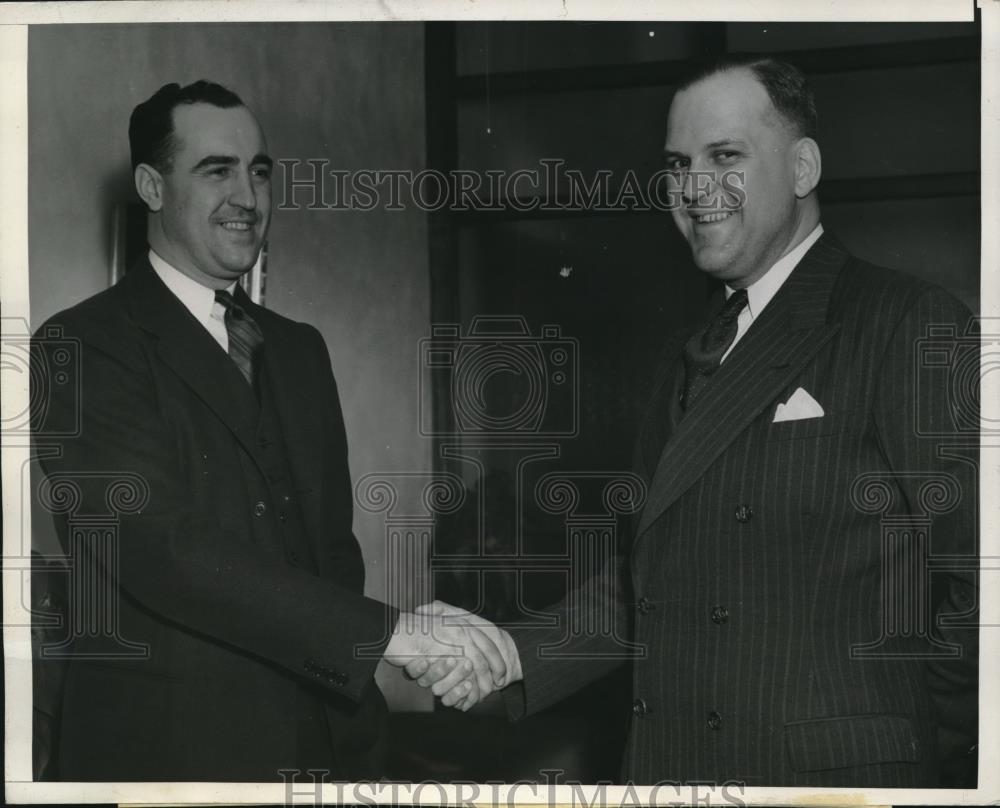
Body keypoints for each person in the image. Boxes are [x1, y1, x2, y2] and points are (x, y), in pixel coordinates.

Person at [414, 55, 979, 788]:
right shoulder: (692, 350)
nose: (694, 188)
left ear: (803, 167)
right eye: (679, 164)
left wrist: (908, 732)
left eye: (726, 156)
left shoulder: (902, 319)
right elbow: (650, 583)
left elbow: (982, 577)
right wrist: (516, 654)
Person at [30, 80, 508, 782]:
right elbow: (161, 548)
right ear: (151, 187)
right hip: (170, 762)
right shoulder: (80, 345)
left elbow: (333, 557)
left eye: (259, 171)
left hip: (331, 748)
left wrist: (383, 669)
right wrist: (392, 633)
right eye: (216, 170)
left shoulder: (299, 348)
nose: (248, 198)